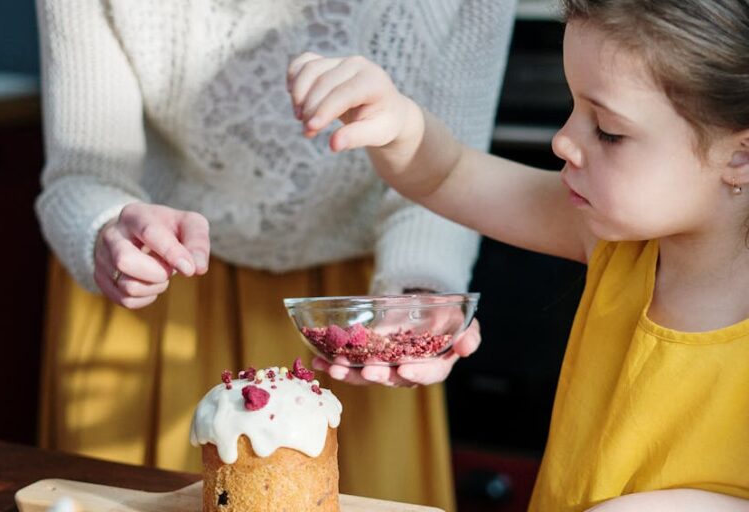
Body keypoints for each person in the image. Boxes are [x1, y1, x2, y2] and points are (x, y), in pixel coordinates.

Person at [34, 0, 517, 509]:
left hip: (359, 310)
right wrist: (109, 230)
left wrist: (416, 302)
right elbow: (82, 174)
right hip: (156, 290)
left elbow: (445, 176)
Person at [288, 0, 749, 510]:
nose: (563, 140)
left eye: (609, 131)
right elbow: (450, 175)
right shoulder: (616, 243)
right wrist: (397, 123)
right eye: (573, 107)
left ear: (740, 155)